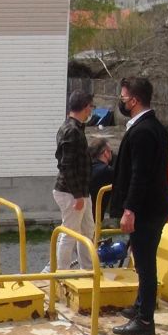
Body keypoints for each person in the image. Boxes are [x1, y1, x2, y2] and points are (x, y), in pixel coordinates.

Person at [110, 77, 168, 335]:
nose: (121, 102)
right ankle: (139, 306)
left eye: (123, 98)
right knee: (142, 260)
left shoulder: (144, 131)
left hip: (145, 210)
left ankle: (145, 320)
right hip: (154, 207)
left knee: (146, 264)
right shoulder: (154, 126)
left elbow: (140, 174)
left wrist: (129, 209)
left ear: (134, 100)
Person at [48, 91, 96, 273]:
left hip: (80, 191)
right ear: (85, 107)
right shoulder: (71, 130)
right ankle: (61, 273)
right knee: (70, 232)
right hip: (70, 192)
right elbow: (66, 166)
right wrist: (77, 196)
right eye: (90, 107)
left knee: (87, 229)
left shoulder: (75, 128)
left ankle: (88, 269)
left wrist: (81, 194)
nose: (91, 111)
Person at [88, 138, 115, 221]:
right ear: (106, 153)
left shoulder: (87, 167)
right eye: (111, 151)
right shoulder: (106, 170)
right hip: (95, 216)